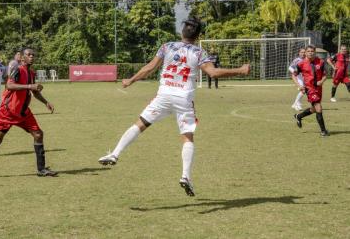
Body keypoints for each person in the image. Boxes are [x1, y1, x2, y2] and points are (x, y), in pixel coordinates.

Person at [98, 18, 250, 196]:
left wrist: (131, 80)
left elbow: (150, 68)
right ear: (198, 35)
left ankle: (115, 153)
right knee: (187, 137)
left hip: (164, 95)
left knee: (140, 124)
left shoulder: (167, 46)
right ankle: (185, 176)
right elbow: (213, 73)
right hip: (183, 99)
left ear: (182, 32)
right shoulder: (199, 53)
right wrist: (240, 70)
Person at [0, 48, 57, 178]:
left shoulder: (31, 73)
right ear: (22, 58)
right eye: (29, 55)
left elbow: (34, 91)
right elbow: (9, 86)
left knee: (38, 134)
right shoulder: (18, 69)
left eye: (33, 54)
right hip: (8, 111)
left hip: (23, 112)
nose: (32, 56)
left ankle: (41, 169)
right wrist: (29, 87)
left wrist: (46, 102)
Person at [292, 45, 330, 137]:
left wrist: (321, 81)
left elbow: (325, 74)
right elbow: (294, 75)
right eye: (308, 51)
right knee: (318, 107)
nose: (310, 53)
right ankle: (323, 131)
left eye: (312, 51)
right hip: (309, 89)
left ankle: (299, 116)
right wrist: (299, 86)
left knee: (314, 109)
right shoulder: (301, 64)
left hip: (319, 89)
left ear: (315, 52)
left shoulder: (320, 62)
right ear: (305, 52)